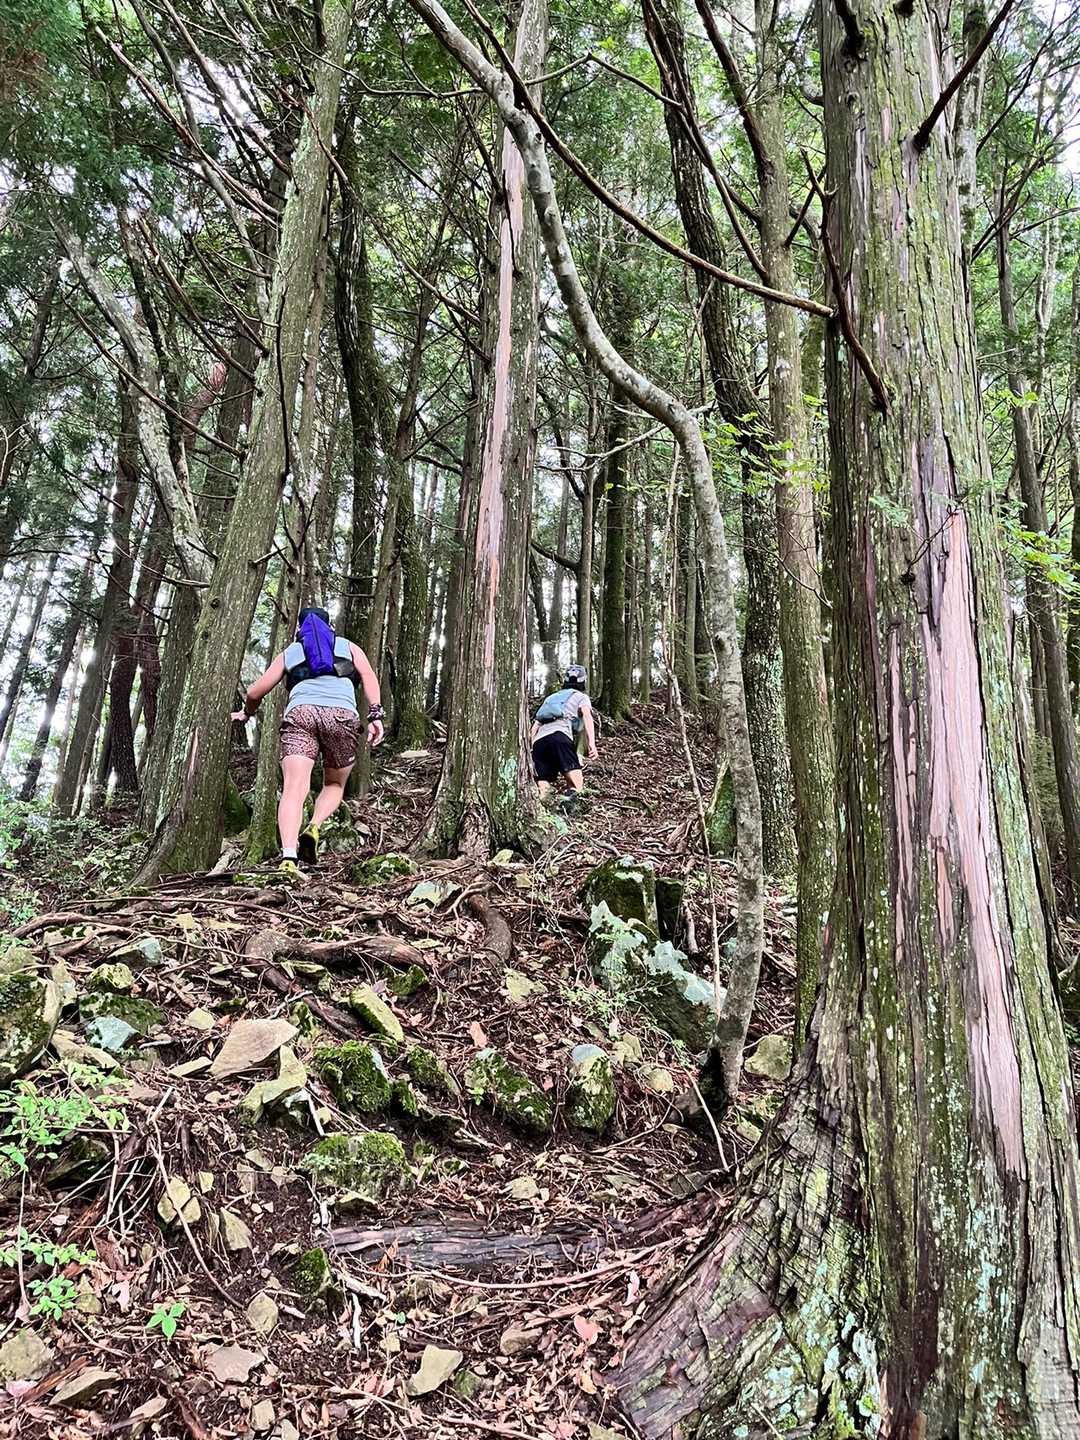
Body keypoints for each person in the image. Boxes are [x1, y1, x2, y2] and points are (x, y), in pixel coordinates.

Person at [231, 606, 385, 872]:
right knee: (334, 783)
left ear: (299, 629)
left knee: (294, 787)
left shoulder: (291, 652)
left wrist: (246, 713)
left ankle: (289, 857)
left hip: (301, 714)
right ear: (330, 627)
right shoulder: (349, 647)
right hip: (341, 716)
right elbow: (369, 676)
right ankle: (313, 826)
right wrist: (375, 715)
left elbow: (255, 692)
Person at [530, 663, 598, 806]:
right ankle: (566, 811)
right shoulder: (581, 697)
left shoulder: (551, 698)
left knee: (543, 782)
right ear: (583, 681)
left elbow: (535, 725)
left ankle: (544, 812)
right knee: (576, 784)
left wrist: (531, 747)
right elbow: (586, 715)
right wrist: (591, 743)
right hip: (559, 736)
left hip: (539, 742)